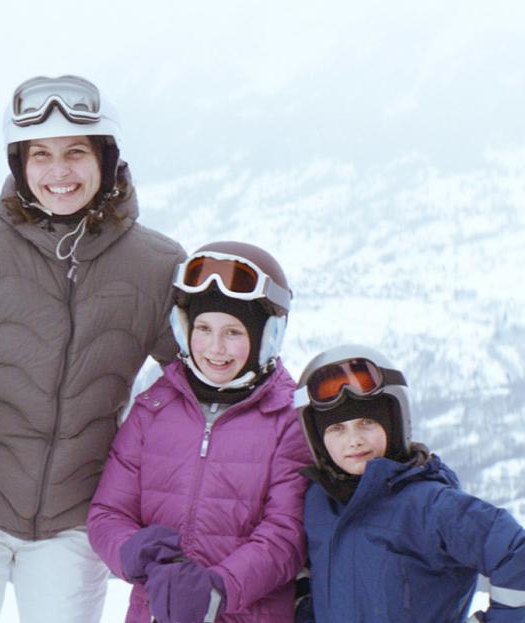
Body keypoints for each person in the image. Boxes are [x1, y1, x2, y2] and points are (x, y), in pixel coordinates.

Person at [0, 74, 186, 623]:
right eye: (40, 155)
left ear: (107, 158)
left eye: (75, 152)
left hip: (75, 518)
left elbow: (189, 386)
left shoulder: (156, 266)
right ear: (20, 165)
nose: (58, 172)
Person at [87, 241, 311, 623]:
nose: (215, 348)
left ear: (265, 338)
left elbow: (286, 535)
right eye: (203, 328)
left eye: (234, 333)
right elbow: (108, 513)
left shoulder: (288, 421)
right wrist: (138, 554)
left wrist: (215, 589)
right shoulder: (152, 410)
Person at [293, 344, 525, 623]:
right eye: (336, 428)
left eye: (366, 421)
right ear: (318, 440)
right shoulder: (318, 501)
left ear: (395, 423)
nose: (353, 439)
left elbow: (514, 552)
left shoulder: (430, 505)